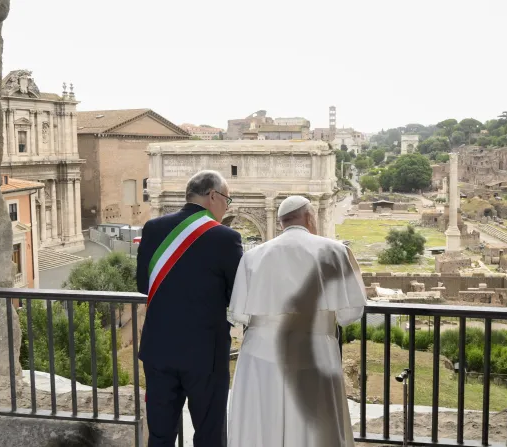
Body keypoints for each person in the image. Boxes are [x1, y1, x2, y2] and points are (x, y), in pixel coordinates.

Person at [227, 195, 367, 447]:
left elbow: (239, 314)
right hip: (315, 353)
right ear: (310, 217)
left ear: (281, 223)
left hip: (260, 355)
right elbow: (350, 314)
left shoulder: (252, 256)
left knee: (263, 424)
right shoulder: (337, 251)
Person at [136, 170, 243, 447]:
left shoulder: (153, 228)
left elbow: (142, 285)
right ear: (213, 196)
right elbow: (238, 296)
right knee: (209, 435)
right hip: (205, 355)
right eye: (227, 201)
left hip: (158, 350)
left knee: (159, 435)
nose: (225, 208)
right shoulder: (226, 238)